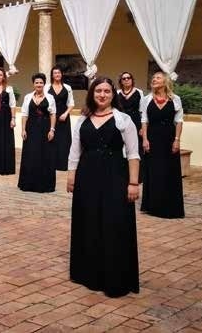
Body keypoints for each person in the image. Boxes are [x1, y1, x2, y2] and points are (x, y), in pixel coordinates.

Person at [67, 76, 140, 297]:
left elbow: (133, 154)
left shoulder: (124, 120)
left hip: (115, 177)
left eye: (107, 91)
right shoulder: (83, 119)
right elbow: (75, 150)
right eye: (98, 90)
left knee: (113, 223)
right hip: (87, 177)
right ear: (92, 93)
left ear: (113, 94)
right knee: (88, 221)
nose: (102, 95)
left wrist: (133, 183)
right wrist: (71, 176)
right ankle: (88, 273)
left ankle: (114, 276)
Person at [140, 71, 184, 218]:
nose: (154, 79)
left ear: (165, 81)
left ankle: (170, 206)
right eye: (153, 78)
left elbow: (179, 121)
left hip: (169, 138)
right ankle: (153, 206)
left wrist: (177, 139)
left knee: (169, 171)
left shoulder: (175, 99)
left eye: (157, 78)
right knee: (154, 171)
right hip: (152, 138)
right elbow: (144, 121)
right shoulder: (146, 99)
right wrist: (145, 139)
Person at [18, 73, 57, 193]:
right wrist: (23, 129)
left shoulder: (50, 97)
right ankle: (28, 183)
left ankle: (44, 184)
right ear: (33, 84)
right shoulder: (28, 97)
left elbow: (53, 114)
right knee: (30, 155)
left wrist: (52, 130)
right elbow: (24, 114)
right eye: (36, 82)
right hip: (31, 129)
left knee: (45, 155)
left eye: (41, 82)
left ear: (44, 84)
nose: (39, 84)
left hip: (45, 130)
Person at [115, 71, 144, 179]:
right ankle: (122, 172)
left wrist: (142, 127)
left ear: (132, 80)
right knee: (120, 144)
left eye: (128, 78)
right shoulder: (117, 93)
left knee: (135, 146)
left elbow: (143, 110)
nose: (126, 80)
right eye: (124, 78)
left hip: (135, 122)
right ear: (121, 81)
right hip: (121, 121)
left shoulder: (139, 92)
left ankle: (137, 175)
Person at [47, 66, 74, 171]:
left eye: (58, 73)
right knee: (51, 139)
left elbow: (71, 103)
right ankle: (51, 163)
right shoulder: (47, 87)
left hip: (64, 117)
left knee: (64, 141)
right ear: (52, 75)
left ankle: (63, 164)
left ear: (61, 74)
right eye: (55, 73)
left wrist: (66, 114)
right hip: (50, 117)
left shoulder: (67, 87)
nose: (57, 75)